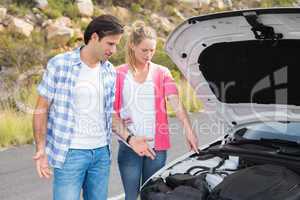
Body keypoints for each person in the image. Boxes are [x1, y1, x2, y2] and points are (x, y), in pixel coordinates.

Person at [32, 15, 154, 200]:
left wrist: (130, 138)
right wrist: (41, 148)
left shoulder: (109, 71)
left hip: (100, 155)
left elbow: (110, 114)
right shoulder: (60, 64)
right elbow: (41, 109)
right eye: (110, 44)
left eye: (116, 45)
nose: (113, 50)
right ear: (95, 37)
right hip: (70, 154)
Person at [114, 21, 199, 200]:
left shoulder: (162, 72)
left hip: (157, 148)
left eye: (152, 50)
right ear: (132, 45)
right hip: (130, 146)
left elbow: (176, 102)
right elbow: (112, 112)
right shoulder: (118, 74)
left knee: (151, 195)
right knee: (131, 196)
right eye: (144, 50)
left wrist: (188, 130)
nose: (149, 55)